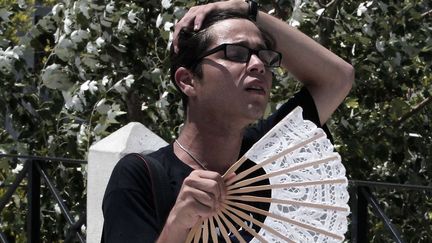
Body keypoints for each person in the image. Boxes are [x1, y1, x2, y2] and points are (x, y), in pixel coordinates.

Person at [101, 0, 354, 242]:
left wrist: (248, 9)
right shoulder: (140, 177)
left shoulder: (270, 158)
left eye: (264, 56)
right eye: (235, 53)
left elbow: (337, 78)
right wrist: (176, 225)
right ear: (188, 81)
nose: (258, 65)